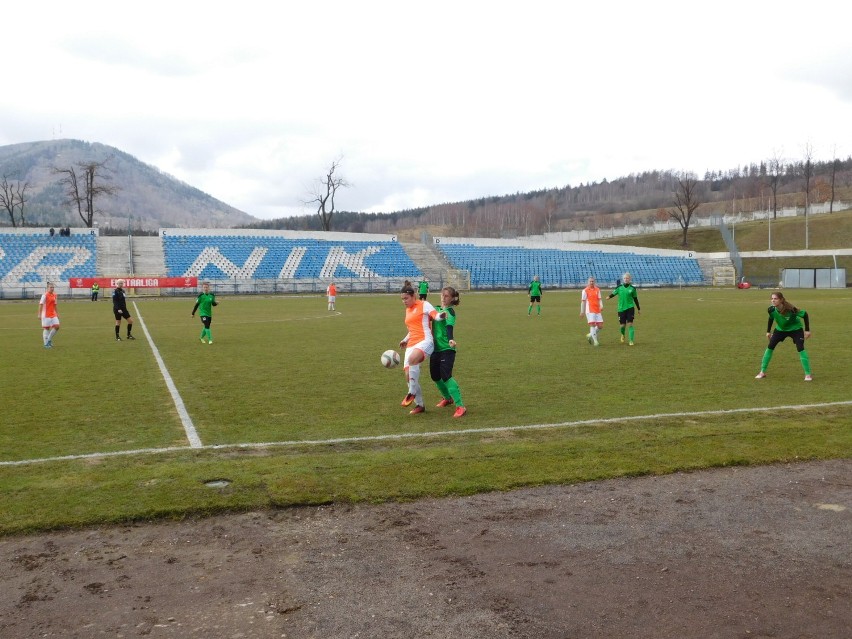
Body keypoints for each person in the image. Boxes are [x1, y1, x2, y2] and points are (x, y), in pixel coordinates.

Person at [399, 280, 445, 415]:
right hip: (412, 344)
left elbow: (435, 316)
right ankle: (419, 405)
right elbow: (412, 328)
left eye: (406, 298)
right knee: (408, 376)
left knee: (413, 360)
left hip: (425, 341)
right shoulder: (408, 310)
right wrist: (405, 339)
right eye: (402, 299)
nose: (404, 301)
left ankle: (411, 392)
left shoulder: (424, 305)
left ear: (414, 296)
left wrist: (441, 316)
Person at [755, 291, 813, 381]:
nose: (773, 300)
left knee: (800, 348)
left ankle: (808, 374)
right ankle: (762, 372)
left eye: (775, 299)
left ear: (781, 300)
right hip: (780, 329)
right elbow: (771, 318)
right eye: (772, 299)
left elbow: (805, 314)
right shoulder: (771, 309)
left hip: (795, 329)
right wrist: (768, 331)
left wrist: (807, 330)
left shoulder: (791, 309)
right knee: (770, 346)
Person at [430, 286, 466, 418]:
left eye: (446, 296)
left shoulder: (450, 312)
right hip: (435, 349)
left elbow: (449, 327)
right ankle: (447, 398)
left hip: (447, 349)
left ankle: (460, 406)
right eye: (442, 295)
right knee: (435, 376)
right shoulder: (436, 309)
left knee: (446, 376)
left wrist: (451, 339)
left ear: (451, 299)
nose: (443, 298)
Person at [607, 272, 640, 345]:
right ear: (623, 279)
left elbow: (635, 299)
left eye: (627, 278)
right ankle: (622, 334)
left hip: (630, 308)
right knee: (622, 326)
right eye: (625, 278)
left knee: (630, 324)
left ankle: (631, 340)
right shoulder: (619, 287)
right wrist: (608, 297)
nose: (626, 279)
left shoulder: (633, 288)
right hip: (621, 309)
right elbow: (614, 293)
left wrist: (638, 308)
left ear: (630, 279)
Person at [580, 276, 604, 346]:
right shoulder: (585, 290)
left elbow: (599, 299)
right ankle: (595, 341)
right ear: (588, 282)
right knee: (592, 325)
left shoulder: (597, 289)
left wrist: (601, 305)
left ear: (594, 282)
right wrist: (582, 311)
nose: (591, 282)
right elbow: (583, 301)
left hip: (597, 310)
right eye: (590, 281)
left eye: (592, 281)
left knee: (600, 326)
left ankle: (590, 335)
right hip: (590, 310)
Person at [37, 281, 60, 348]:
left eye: (53, 287)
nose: (52, 288)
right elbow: (40, 305)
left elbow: (55, 305)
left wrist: (57, 313)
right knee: (46, 329)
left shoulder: (55, 295)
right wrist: (39, 314)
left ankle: (49, 340)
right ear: (47, 288)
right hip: (46, 315)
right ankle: (46, 344)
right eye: (51, 287)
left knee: (57, 326)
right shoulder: (44, 295)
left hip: (53, 314)